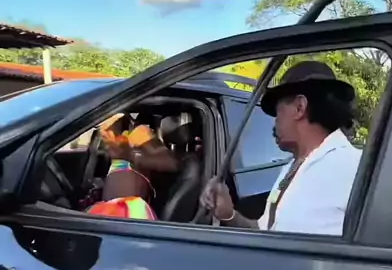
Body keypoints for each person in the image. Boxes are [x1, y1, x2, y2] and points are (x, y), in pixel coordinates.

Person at [200, 61, 362, 236]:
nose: (274, 123)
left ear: (299, 107)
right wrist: (229, 215)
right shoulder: (292, 167)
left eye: (278, 113)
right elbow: (265, 233)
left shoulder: (353, 168)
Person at [87, 123, 180, 220]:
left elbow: (171, 164)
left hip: (129, 214)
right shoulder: (107, 138)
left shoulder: (139, 134)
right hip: (108, 212)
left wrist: (130, 156)